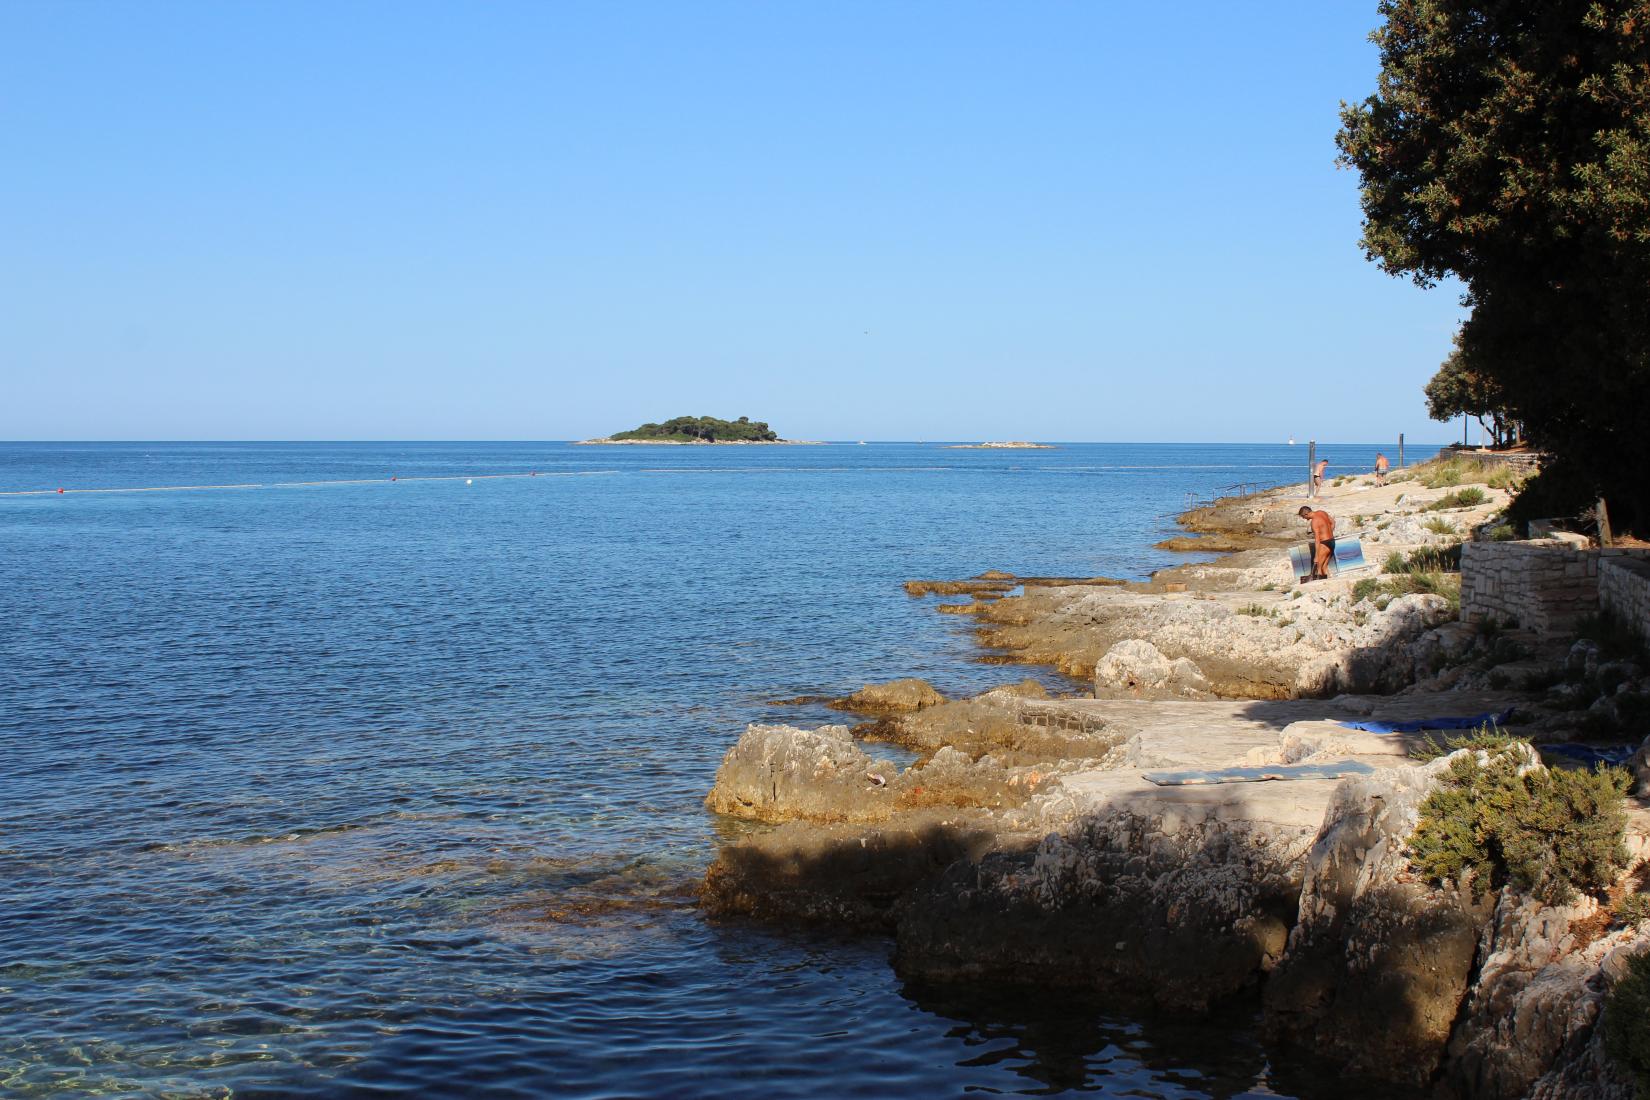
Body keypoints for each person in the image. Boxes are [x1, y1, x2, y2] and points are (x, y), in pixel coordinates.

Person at [1298, 505, 1336, 582]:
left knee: (1319, 567)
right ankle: (1330, 581)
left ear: (1305, 514)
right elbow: (1333, 522)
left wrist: (1316, 556)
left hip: (1324, 543)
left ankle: (1324, 583)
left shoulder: (1314, 522)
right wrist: (1329, 533)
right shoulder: (1322, 512)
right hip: (1332, 541)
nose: (1304, 519)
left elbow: (1317, 540)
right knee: (1324, 566)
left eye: (1303, 517)